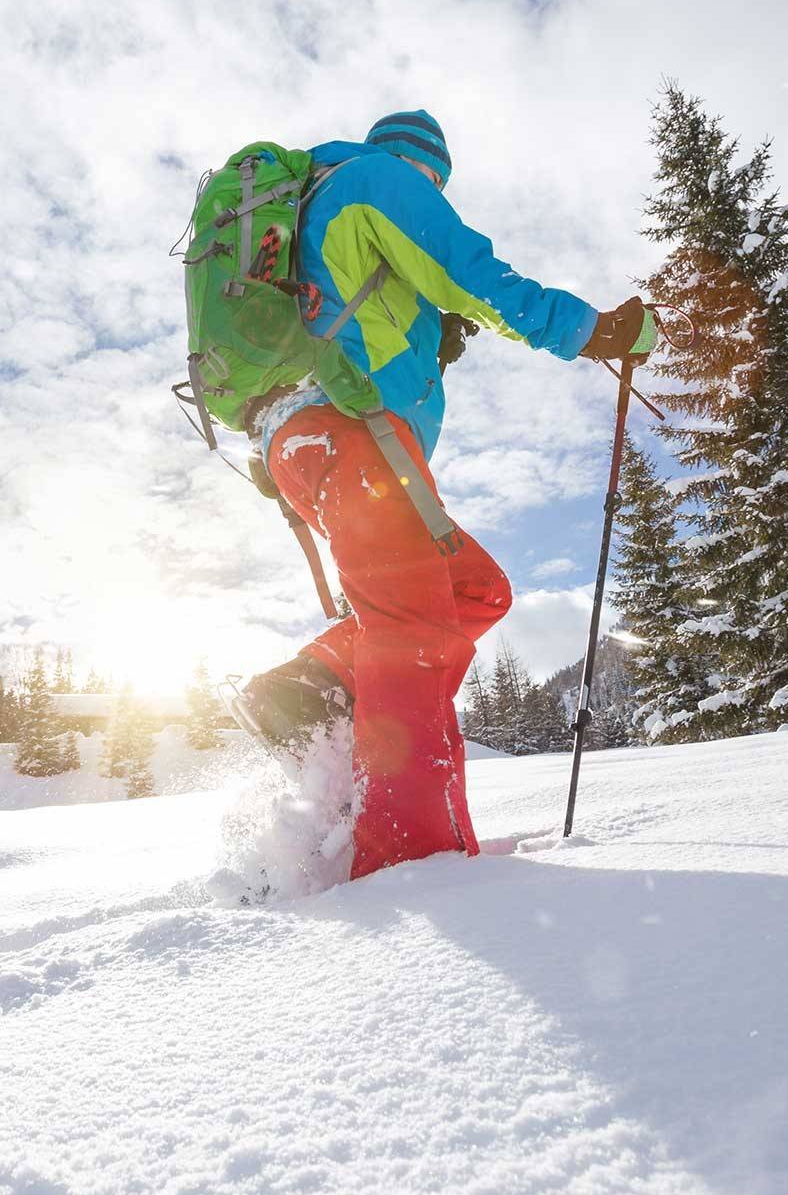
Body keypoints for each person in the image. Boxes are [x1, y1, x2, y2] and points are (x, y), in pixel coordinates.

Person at [231, 109, 651, 882]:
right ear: (425, 167)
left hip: (324, 439)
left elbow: (349, 320)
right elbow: (474, 273)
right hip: (350, 435)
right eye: (439, 182)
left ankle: (311, 686)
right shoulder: (377, 180)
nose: (437, 193)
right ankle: (412, 863)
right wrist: (595, 332)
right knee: (414, 631)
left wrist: (430, 334)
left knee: (473, 587)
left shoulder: (320, 205)